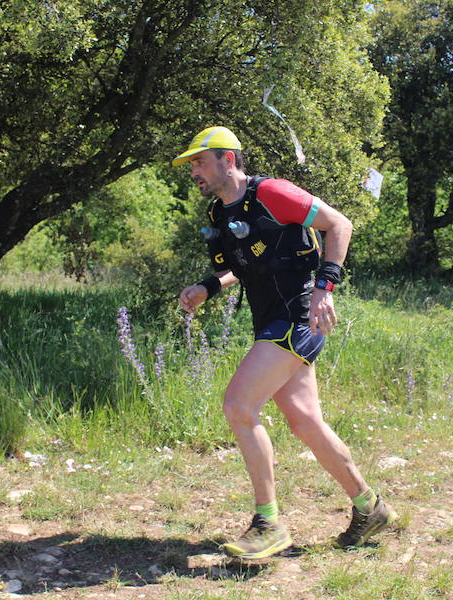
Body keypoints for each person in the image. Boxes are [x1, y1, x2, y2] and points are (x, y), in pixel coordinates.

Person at [174, 126, 397, 559]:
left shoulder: (272, 193)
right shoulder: (220, 215)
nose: (194, 172)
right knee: (305, 421)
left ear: (228, 160)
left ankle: (268, 523)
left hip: (298, 317)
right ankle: (371, 508)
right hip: (271, 321)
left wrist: (324, 288)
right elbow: (245, 264)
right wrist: (209, 287)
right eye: (192, 165)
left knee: (239, 406)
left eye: (200, 162)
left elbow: (339, 224)